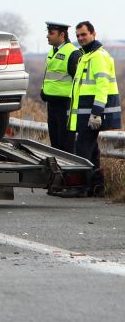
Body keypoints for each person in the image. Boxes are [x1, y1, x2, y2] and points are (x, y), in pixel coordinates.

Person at [62, 21, 119, 198]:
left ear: (94, 34)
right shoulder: (85, 56)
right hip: (85, 112)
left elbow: (102, 86)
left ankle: (80, 187)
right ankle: (96, 186)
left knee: (82, 149)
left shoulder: (98, 57)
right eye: (78, 35)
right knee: (92, 149)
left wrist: (96, 112)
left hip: (92, 113)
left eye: (84, 34)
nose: (80, 38)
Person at [41, 21, 81, 154]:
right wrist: (43, 91)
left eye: (51, 33)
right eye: (48, 33)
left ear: (62, 34)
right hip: (52, 104)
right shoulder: (52, 51)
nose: (48, 36)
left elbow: (78, 81)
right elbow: (50, 75)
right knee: (55, 143)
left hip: (66, 105)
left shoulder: (73, 53)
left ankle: (69, 173)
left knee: (66, 144)